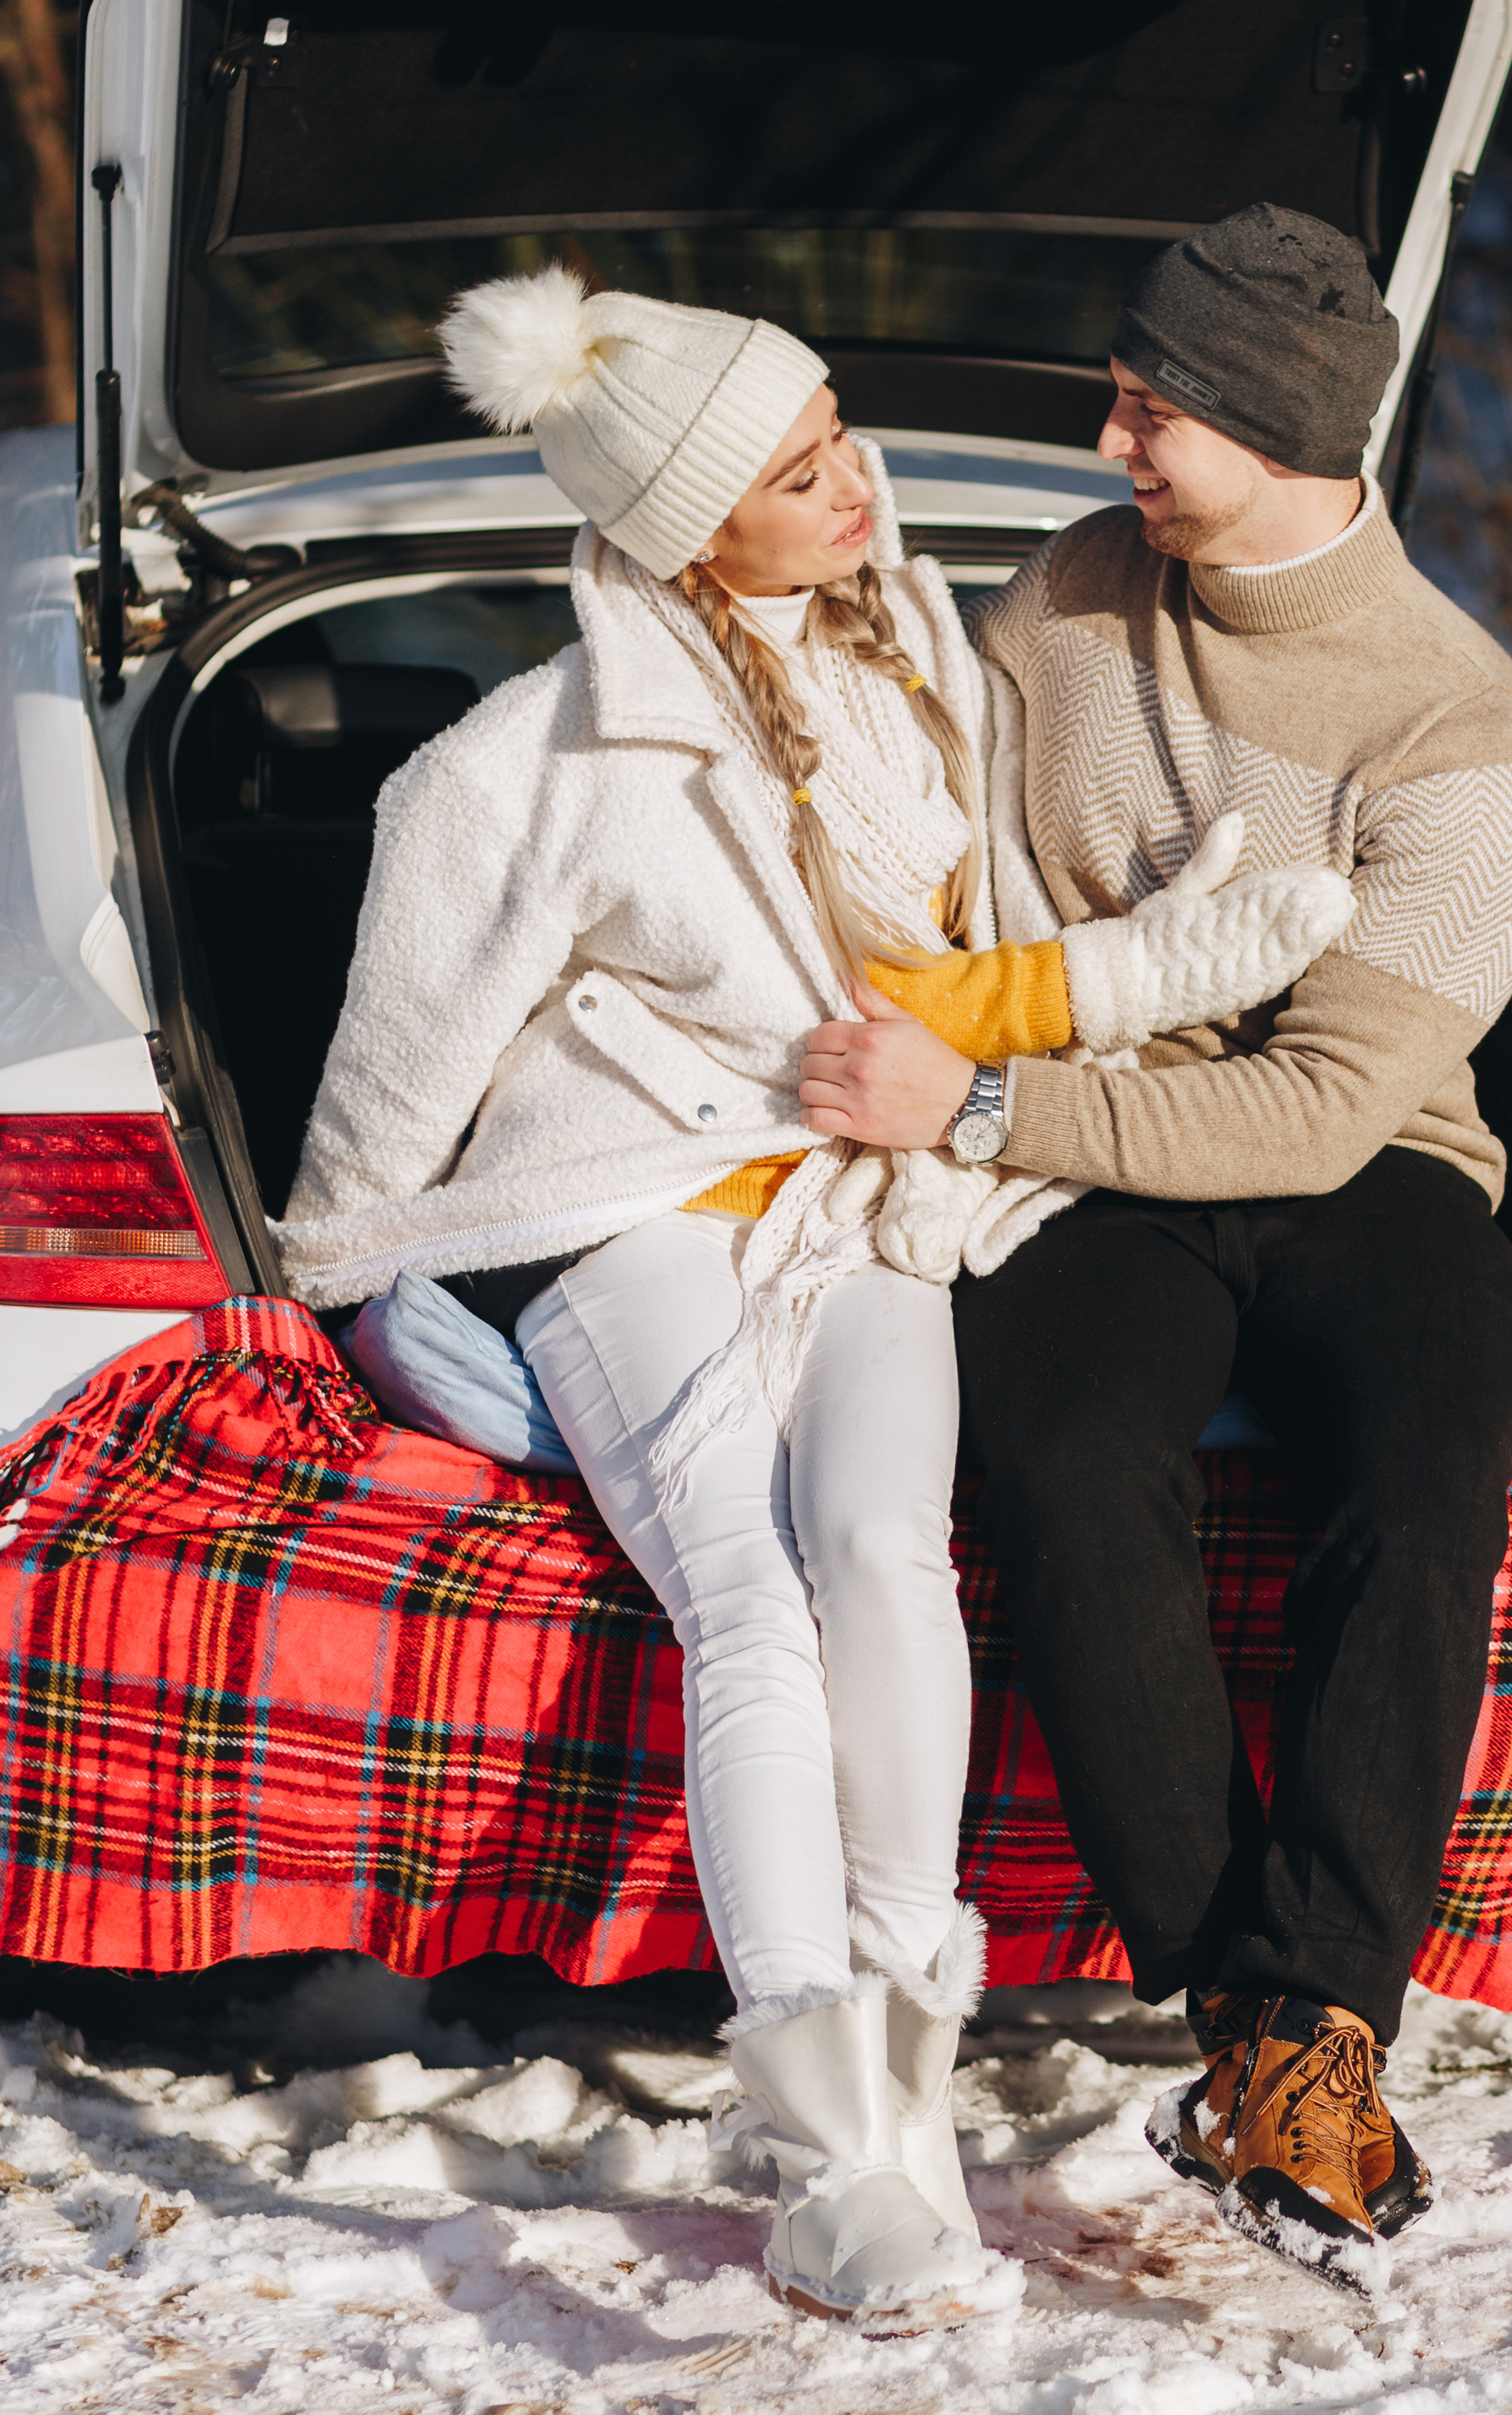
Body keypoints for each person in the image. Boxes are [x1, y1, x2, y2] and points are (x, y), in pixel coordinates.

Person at [277, 266, 1352, 2329]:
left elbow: (999, 928)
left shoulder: (918, 660)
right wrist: (341, 1291)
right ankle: (816, 2127)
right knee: (747, 1591)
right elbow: (394, 1078)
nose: (851, 476)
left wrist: (1158, 960)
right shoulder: (523, 764)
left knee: (883, 1556)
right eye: (795, 471)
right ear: (684, 526)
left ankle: (896, 2097)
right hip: (631, 1211)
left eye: (837, 425)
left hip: (875, 1201)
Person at [797, 203, 1512, 2276]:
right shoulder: (1063, 604)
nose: (1116, 426)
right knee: (1053, 1458)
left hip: (1366, 1161)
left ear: (1283, 421)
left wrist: (972, 1102)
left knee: (1422, 1470)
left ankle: (1321, 2012)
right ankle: (1252, 2014)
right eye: (1128, 387)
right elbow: (931, 843)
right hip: (1100, 1165)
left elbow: (1322, 1103)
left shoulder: (1462, 734)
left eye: (1154, 399)